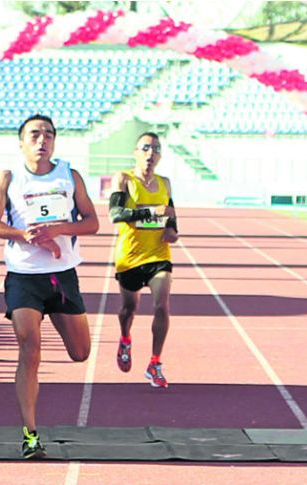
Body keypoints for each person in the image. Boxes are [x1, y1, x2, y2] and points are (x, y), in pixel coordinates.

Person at [0, 114, 99, 458]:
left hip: (62, 275)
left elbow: (92, 223)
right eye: (34, 134)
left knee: (80, 353)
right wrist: (24, 235)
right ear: (21, 142)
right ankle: (30, 434)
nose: (42, 139)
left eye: (48, 134)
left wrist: (61, 229)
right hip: (23, 276)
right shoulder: (9, 177)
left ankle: (31, 431)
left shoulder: (69, 175)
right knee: (30, 347)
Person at [109, 132, 179, 388]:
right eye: (146, 148)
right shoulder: (124, 179)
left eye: (156, 149)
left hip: (158, 255)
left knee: (162, 306)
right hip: (129, 256)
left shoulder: (165, 183)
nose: (151, 154)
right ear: (136, 152)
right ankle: (125, 338)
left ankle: (154, 363)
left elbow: (170, 214)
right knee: (129, 309)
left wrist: (172, 230)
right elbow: (115, 215)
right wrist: (151, 212)